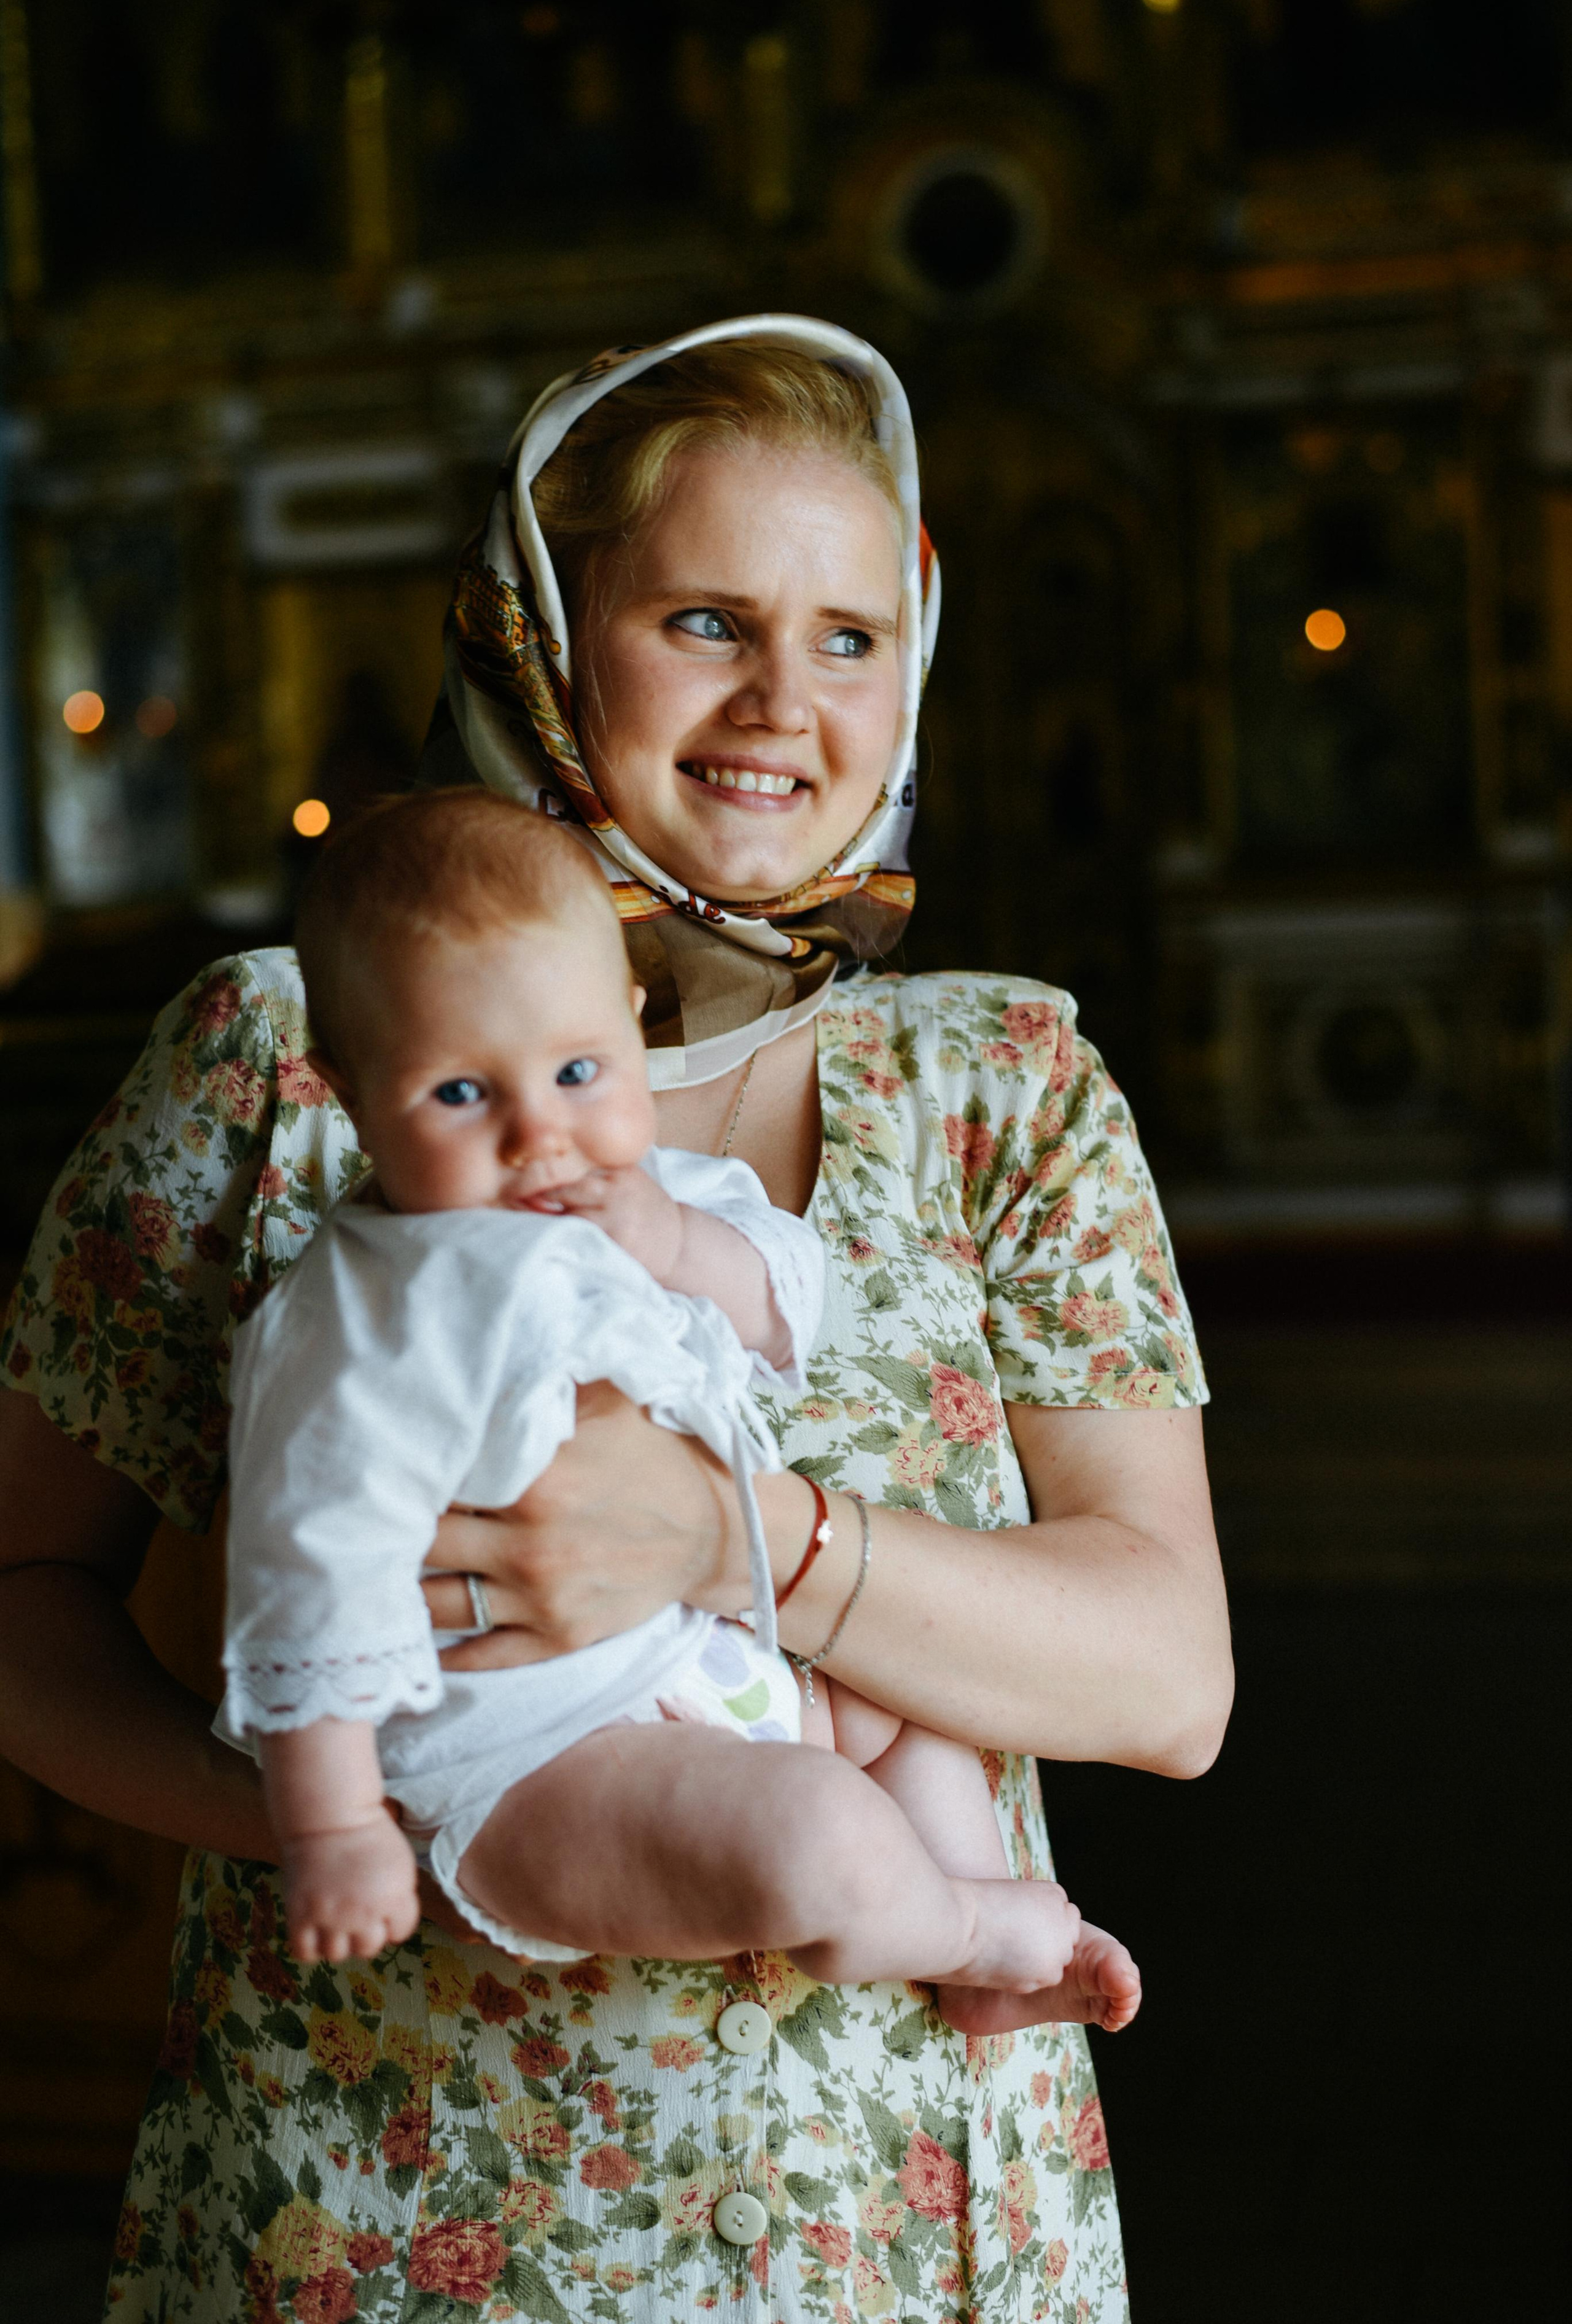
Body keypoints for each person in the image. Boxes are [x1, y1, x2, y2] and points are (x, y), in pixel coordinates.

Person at [0, 316, 1231, 2324]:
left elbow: (1167, 1680)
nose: (784, 703)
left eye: (850, 633)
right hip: (385, 2211)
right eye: (706, 620)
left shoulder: (1005, 1086)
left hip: (901, 2232)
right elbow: (20, 1588)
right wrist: (322, 1805)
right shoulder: (275, 1057)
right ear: (549, 631)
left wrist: (735, 1540)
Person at [227, 786, 1139, 2042]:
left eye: (577, 1070)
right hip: (534, 1758)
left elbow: (786, 1306)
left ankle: (974, 1940)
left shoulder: (659, 1196)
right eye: (456, 1095)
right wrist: (328, 1826)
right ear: (345, 1086)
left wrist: (673, 1241)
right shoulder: (353, 1320)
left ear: (630, 1024)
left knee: (923, 1697)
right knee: (812, 1838)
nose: (538, 1133)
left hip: (733, 1659)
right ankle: (969, 1928)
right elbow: (302, 1576)